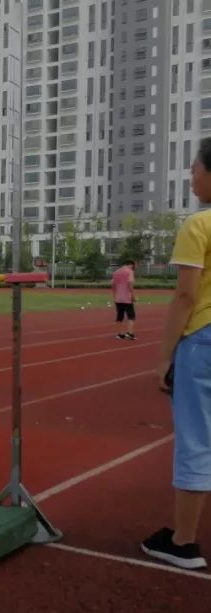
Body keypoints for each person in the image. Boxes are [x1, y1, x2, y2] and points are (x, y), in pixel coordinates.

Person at [143, 138, 211, 570]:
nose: (191, 178)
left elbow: (185, 295)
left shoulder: (198, 225)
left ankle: (183, 542)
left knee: (196, 438)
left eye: (194, 170)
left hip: (203, 338)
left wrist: (165, 356)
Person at [111, 260, 137, 340]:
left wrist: (114, 296)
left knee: (120, 316)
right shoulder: (129, 272)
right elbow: (130, 284)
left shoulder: (116, 272)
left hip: (118, 298)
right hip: (127, 298)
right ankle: (129, 333)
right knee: (131, 315)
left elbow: (113, 285)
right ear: (131, 265)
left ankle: (120, 334)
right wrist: (133, 295)